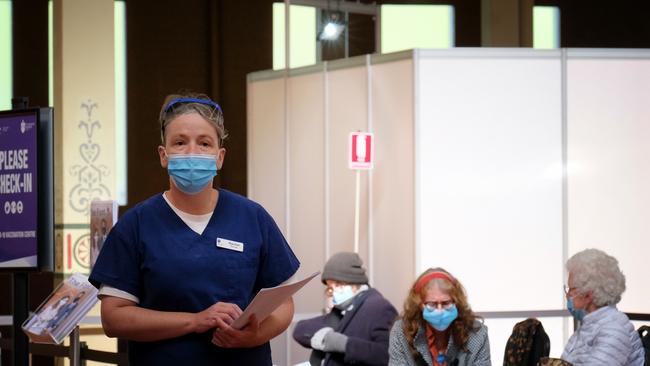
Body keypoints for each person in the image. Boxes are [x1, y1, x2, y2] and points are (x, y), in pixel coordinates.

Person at [89, 92, 300, 365]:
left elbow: (283, 303)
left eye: (204, 143)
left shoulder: (252, 218)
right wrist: (194, 321)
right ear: (163, 155)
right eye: (180, 142)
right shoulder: (136, 226)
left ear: (219, 156)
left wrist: (254, 336)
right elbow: (114, 317)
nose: (192, 153)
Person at [293, 252, 398, 366]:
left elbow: (388, 355)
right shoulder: (342, 309)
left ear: (355, 283)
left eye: (338, 285)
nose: (334, 292)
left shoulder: (379, 307)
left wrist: (344, 344)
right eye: (330, 288)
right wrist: (326, 338)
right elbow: (300, 330)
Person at [388, 268, 490, 366]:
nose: (440, 310)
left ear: (457, 302)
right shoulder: (401, 332)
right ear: (419, 305)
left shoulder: (477, 333)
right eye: (432, 304)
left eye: (446, 303)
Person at [561, 248, 645, 365]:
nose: (568, 295)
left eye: (571, 289)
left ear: (588, 295)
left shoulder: (614, 330)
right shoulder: (591, 325)